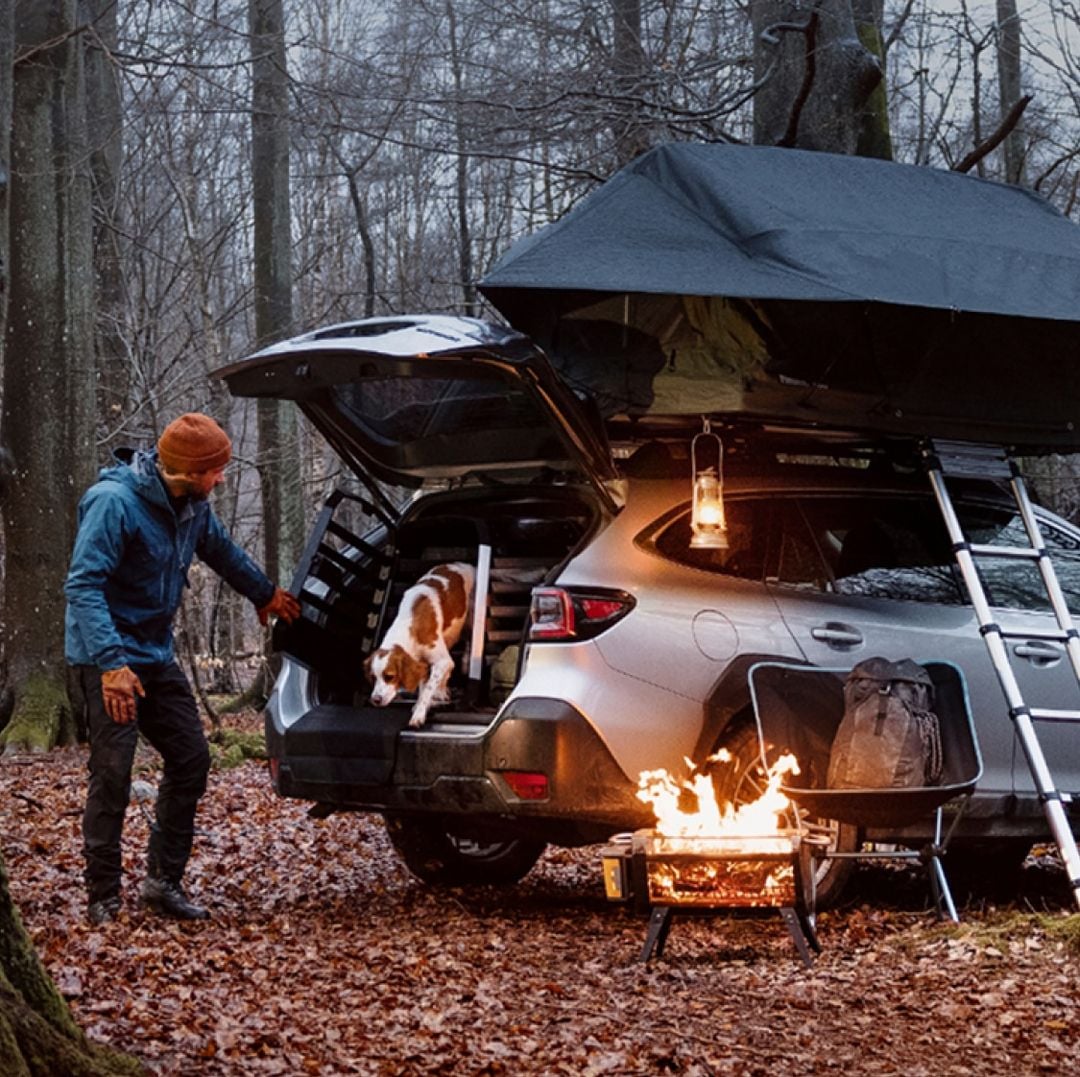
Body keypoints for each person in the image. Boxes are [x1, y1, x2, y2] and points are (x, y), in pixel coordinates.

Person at [64, 413, 301, 925]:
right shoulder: (113, 504)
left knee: (192, 758)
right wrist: (111, 665)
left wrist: (265, 594)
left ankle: (162, 883)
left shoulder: (192, 507)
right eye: (216, 471)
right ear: (190, 471)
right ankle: (102, 897)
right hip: (108, 658)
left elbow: (221, 551)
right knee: (113, 774)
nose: (221, 479)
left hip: (153, 653)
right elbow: (83, 586)